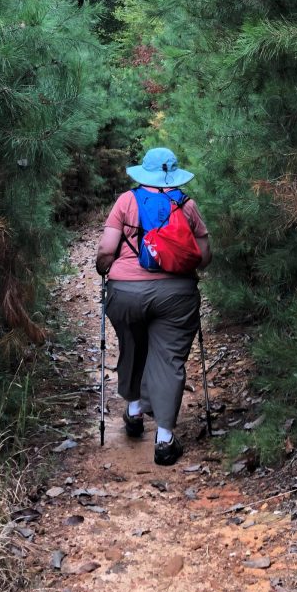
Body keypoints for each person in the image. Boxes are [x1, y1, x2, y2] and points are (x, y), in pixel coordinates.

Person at [95, 147, 212, 466]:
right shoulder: (186, 205)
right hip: (176, 294)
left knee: (131, 346)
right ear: (172, 174)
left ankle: (133, 413)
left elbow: (106, 250)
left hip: (127, 292)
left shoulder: (125, 201)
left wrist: (105, 267)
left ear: (143, 172)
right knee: (168, 359)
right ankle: (163, 440)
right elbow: (204, 257)